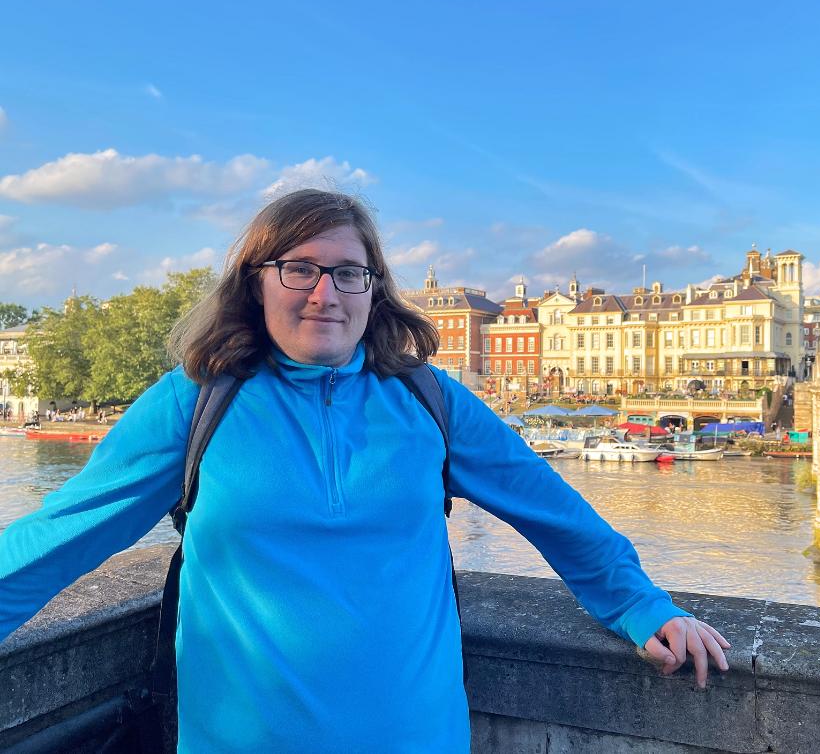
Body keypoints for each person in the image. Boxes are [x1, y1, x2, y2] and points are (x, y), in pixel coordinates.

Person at [0, 189, 729, 753]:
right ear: (254, 283)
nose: (326, 294)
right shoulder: (193, 404)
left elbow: (555, 511)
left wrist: (642, 606)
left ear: (374, 288)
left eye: (349, 273)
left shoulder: (431, 401)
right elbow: (61, 534)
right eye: (299, 269)